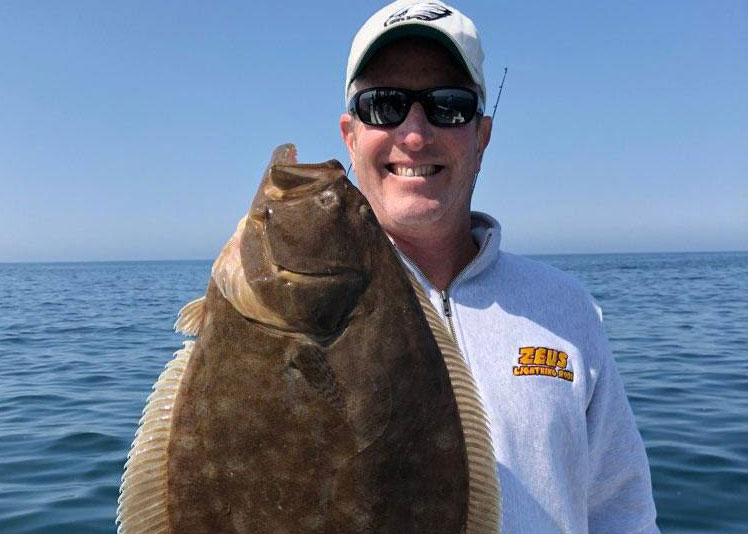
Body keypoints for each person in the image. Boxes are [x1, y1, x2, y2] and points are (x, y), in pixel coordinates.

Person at [339, 1, 660, 532]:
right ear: (351, 136)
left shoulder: (567, 308)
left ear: (482, 137)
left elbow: (620, 511)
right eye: (383, 104)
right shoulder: (288, 312)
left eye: (448, 105)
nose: (414, 133)